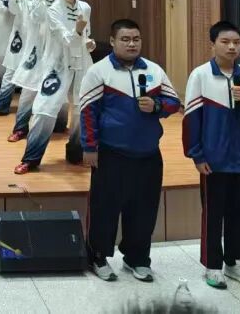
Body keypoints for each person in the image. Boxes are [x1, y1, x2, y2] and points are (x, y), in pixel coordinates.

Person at [80, 19, 181, 282]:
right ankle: (98, 256)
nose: (132, 44)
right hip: (111, 153)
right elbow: (88, 112)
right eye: (125, 39)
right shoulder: (98, 72)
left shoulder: (154, 70)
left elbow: (174, 102)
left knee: (145, 210)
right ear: (113, 41)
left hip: (148, 154)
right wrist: (89, 147)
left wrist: (157, 106)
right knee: (105, 209)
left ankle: (137, 259)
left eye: (136, 39)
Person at [183, 21, 240, 291]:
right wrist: (197, 155)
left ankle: (236, 263)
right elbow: (191, 120)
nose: (232, 47)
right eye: (225, 42)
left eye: (236, 42)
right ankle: (213, 265)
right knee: (213, 215)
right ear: (213, 44)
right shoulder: (200, 76)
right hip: (214, 160)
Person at [14, 0, 96, 174]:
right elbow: (66, 39)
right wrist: (78, 30)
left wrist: (88, 42)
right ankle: (31, 158)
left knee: (81, 110)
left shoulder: (85, 7)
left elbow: (86, 35)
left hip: (82, 64)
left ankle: (76, 153)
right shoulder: (53, 10)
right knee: (44, 110)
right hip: (58, 66)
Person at [8, 0, 60, 142]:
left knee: (57, 93)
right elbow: (36, 17)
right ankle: (20, 129)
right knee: (28, 94)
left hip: (55, 53)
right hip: (36, 53)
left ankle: (59, 126)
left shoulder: (61, 1)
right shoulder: (32, 0)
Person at [0, 0, 39, 117]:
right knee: (10, 73)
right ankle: (0, 106)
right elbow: (13, 10)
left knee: (35, 73)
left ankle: (35, 108)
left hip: (37, 40)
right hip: (20, 38)